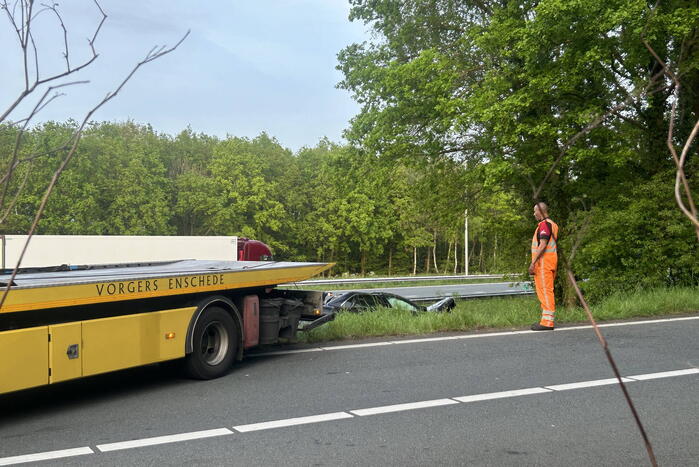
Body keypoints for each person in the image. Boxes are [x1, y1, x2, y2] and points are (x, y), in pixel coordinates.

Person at [528, 202, 559, 330]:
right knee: (546, 291)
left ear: (541, 211)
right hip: (549, 262)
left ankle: (547, 323)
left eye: (535, 211)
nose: (534, 214)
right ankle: (545, 320)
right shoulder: (552, 224)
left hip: (544, 263)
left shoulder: (545, 225)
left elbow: (543, 244)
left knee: (546, 292)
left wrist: (533, 262)